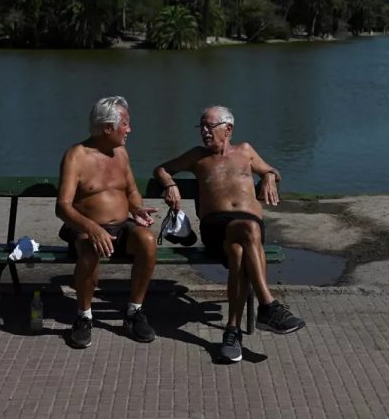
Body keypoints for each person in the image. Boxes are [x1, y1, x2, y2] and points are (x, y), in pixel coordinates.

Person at [153, 105, 305, 363]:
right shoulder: (197, 156)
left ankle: (232, 332)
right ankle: (268, 305)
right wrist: (169, 184)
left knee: (239, 250)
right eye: (201, 127)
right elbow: (162, 169)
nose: (204, 132)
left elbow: (273, 171)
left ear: (228, 129)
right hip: (216, 227)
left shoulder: (245, 151)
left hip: (248, 229)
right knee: (246, 230)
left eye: (209, 126)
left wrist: (268, 175)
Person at [55, 96, 159, 348]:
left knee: (147, 241)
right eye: (125, 123)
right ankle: (84, 316)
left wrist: (137, 209)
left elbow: (132, 191)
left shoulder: (121, 153)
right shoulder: (76, 156)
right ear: (107, 128)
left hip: (122, 227)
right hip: (84, 229)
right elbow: (62, 207)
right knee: (89, 249)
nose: (130, 129)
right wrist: (91, 228)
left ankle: (134, 312)